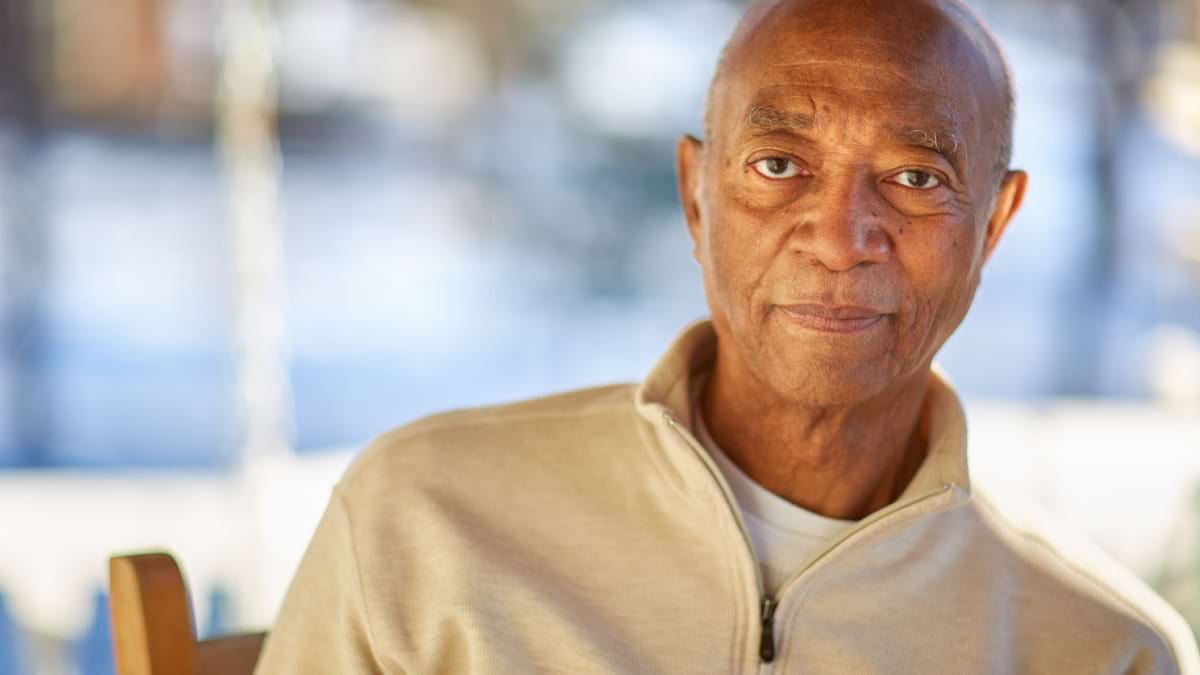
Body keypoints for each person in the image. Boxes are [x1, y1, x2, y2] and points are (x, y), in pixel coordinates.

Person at [254, 0, 1200, 672]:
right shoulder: (424, 513)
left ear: (993, 225)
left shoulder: (1097, 649)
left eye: (915, 178)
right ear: (695, 199)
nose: (839, 236)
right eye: (780, 163)